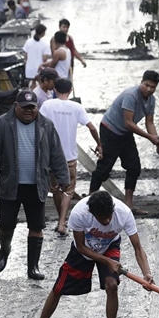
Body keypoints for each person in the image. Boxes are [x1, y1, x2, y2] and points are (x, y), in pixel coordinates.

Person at [14, 191, 154, 318]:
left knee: (112, 285)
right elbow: (80, 246)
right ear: (92, 213)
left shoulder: (124, 213)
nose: (107, 221)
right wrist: (107, 261)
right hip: (85, 249)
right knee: (58, 288)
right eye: (102, 219)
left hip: (110, 246)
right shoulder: (80, 213)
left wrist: (146, 273)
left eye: (109, 216)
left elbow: (138, 248)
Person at [0, 90, 69, 280]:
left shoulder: (46, 124)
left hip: (37, 184)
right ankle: (4, 249)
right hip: (10, 182)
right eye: (24, 108)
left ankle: (33, 267)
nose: (28, 111)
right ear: (15, 107)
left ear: (37, 108)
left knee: (37, 226)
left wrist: (63, 177)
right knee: (5, 224)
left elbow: (56, 152)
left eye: (32, 108)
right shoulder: (2, 124)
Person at [89, 71, 159, 215]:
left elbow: (150, 122)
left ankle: (129, 204)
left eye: (152, 87)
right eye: (146, 85)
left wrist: (156, 140)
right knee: (104, 169)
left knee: (134, 167)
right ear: (141, 82)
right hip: (110, 130)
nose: (148, 89)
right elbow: (128, 123)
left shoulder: (151, 100)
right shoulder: (131, 95)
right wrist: (149, 137)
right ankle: (90, 203)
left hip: (125, 133)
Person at [40, 78, 102, 236]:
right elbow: (92, 127)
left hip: (51, 156)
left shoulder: (48, 105)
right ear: (70, 89)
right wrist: (99, 144)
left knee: (55, 190)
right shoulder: (76, 107)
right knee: (68, 190)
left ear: (55, 89)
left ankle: (59, 220)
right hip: (69, 157)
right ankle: (62, 222)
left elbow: (38, 125)